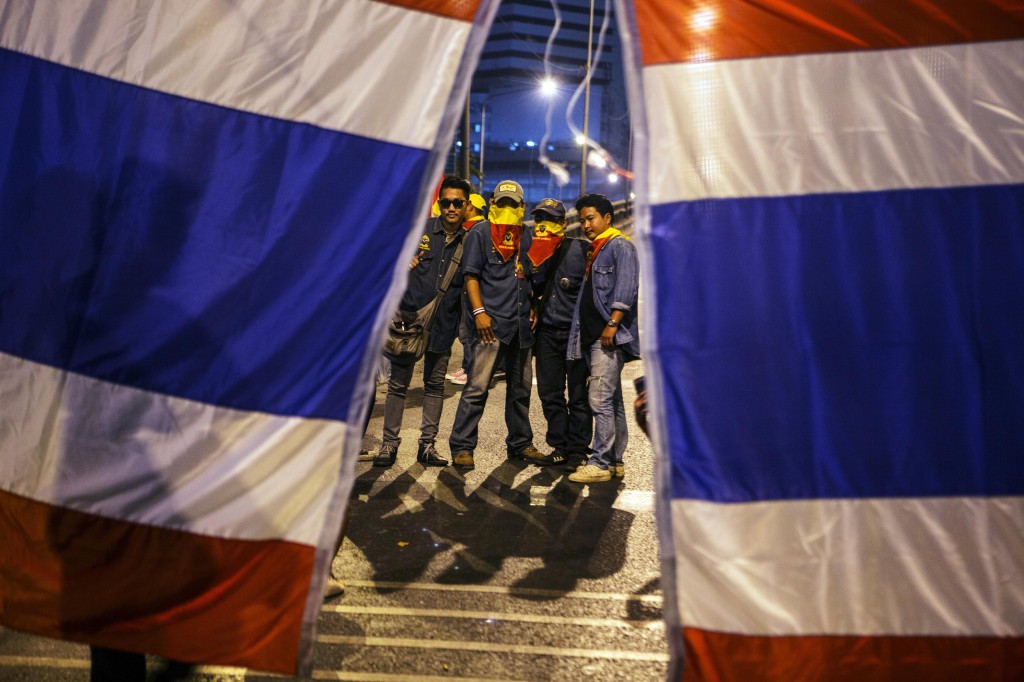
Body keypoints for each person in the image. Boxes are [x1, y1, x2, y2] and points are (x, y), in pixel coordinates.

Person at [372, 175, 471, 468]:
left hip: (444, 325)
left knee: (435, 385)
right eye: (446, 202)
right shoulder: (419, 231)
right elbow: (385, 261)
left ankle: (427, 446)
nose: (451, 207)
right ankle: (388, 445)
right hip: (409, 323)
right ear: (439, 203)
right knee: (398, 386)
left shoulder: (471, 240)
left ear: (466, 206)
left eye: (457, 203)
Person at [448, 180, 546, 470]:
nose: (506, 208)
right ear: (492, 204)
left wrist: (535, 305)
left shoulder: (527, 236)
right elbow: (470, 276)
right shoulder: (480, 233)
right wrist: (479, 312)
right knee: (477, 389)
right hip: (490, 326)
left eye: (512, 204)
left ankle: (520, 443)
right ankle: (462, 446)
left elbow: (531, 278)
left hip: (520, 326)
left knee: (520, 390)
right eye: (501, 203)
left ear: (522, 207)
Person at [567, 194, 640, 483]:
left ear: (607, 218)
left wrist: (612, 324)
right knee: (613, 401)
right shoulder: (596, 249)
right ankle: (614, 461)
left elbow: (625, 290)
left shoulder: (620, 246)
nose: (585, 225)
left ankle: (598, 463)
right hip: (592, 337)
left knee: (598, 399)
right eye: (583, 219)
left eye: (591, 218)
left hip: (606, 337)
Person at [528, 198, 591, 468]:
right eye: (540, 220)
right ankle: (559, 446)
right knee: (550, 393)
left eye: (551, 220)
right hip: (546, 333)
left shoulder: (581, 250)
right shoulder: (531, 253)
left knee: (578, 395)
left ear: (563, 224)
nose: (544, 226)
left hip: (574, 335)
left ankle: (577, 449)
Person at [447, 193, 488, 386]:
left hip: (468, 284)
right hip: (481, 286)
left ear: (470, 207)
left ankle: (470, 369)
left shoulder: (472, 230)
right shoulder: (486, 228)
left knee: (468, 330)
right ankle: (468, 366)